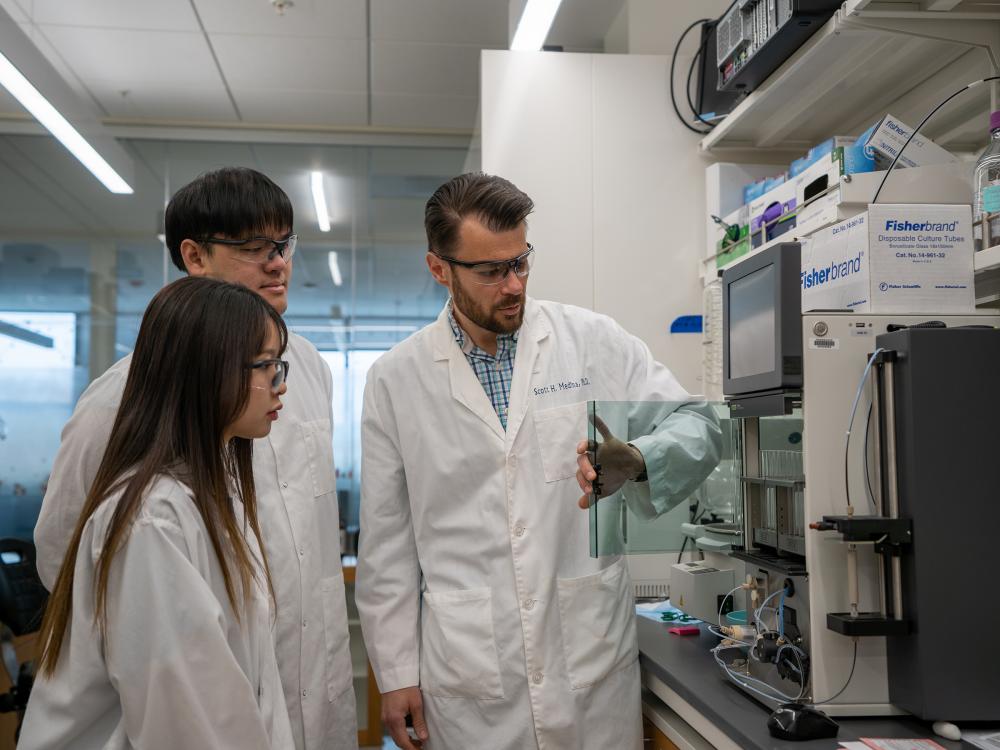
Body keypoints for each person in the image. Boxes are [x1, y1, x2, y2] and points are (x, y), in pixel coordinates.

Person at [356, 172, 723, 750]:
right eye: (490, 271)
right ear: (439, 268)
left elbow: (701, 425)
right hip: (470, 677)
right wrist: (396, 672)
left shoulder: (592, 341)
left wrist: (643, 458)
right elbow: (387, 544)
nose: (513, 285)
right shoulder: (394, 380)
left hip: (588, 662)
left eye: (521, 262)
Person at [32, 168, 357, 750]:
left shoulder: (306, 368)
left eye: (284, 244)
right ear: (194, 255)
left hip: (307, 690)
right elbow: (68, 553)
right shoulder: (119, 399)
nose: (278, 262)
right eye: (255, 247)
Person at [20, 277, 294, 748]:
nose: (280, 385)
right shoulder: (153, 520)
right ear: (207, 372)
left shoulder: (208, 493)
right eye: (266, 366)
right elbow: (184, 720)